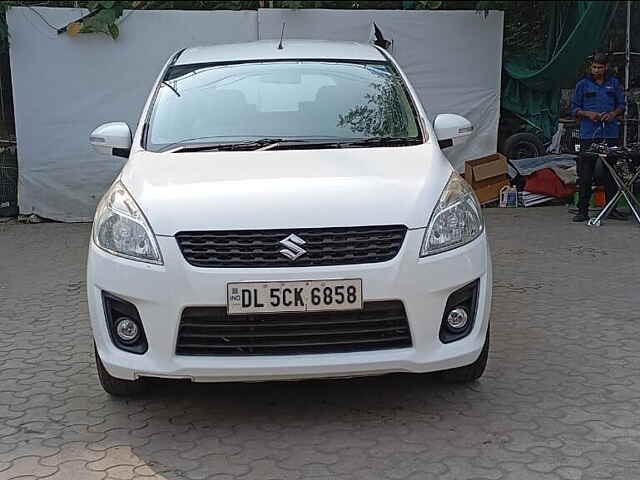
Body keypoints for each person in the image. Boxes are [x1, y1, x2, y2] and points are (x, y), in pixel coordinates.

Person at [571, 52, 627, 222]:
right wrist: (588, 113)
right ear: (591, 67)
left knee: (611, 172)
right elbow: (574, 109)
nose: (596, 70)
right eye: (594, 67)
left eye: (600, 67)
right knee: (586, 173)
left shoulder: (614, 84)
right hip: (589, 134)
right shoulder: (582, 85)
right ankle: (582, 210)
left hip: (610, 133)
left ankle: (611, 208)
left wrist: (613, 114)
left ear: (606, 67)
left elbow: (622, 105)